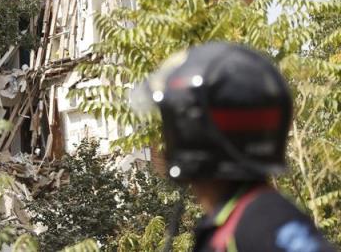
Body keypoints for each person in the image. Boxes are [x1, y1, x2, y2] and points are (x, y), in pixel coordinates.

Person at [133, 42, 336, 252]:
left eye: (171, 125)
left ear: (194, 134)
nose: (165, 142)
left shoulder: (264, 222)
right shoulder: (227, 224)